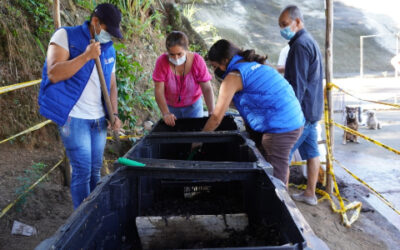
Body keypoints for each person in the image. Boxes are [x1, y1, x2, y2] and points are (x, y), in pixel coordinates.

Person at [38, 3, 122, 209]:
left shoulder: (108, 49)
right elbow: (54, 73)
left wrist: (114, 113)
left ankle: (92, 214)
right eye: (107, 30)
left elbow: (111, 85)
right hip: (73, 118)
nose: (109, 36)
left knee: (94, 170)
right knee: (82, 170)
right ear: (95, 22)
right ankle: (81, 222)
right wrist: (85, 56)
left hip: (98, 119)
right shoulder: (64, 36)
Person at [200, 39, 305, 187]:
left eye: (215, 66)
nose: (216, 70)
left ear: (225, 60)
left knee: (276, 176)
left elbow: (217, 117)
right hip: (294, 120)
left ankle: (278, 206)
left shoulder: (234, 77)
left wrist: (199, 139)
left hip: (280, 127)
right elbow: (252, 101)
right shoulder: (256, 65)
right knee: (279, 165)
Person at [278, 5, 323, 205]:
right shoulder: (308, 41)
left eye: (285, 25)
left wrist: (289, 114)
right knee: (312, 152)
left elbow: (297, 84)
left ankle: (283, 201)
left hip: (303, 112)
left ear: (297, 21)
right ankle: (310, 194)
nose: (283, 30)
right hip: (313, 109)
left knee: (283, 153)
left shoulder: (299, 46)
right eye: (280, 26)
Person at [153, 31, 215, 127]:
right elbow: (158, 91)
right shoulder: (162, 62)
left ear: (186, 49)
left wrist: (211, 111)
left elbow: (206, 88)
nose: (176, 58)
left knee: (196, 135)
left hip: (193, 107)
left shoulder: (197, 61)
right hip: (171, 108)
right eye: (172, 54)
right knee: (175, 136)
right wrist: (166, 113)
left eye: (179, 54)